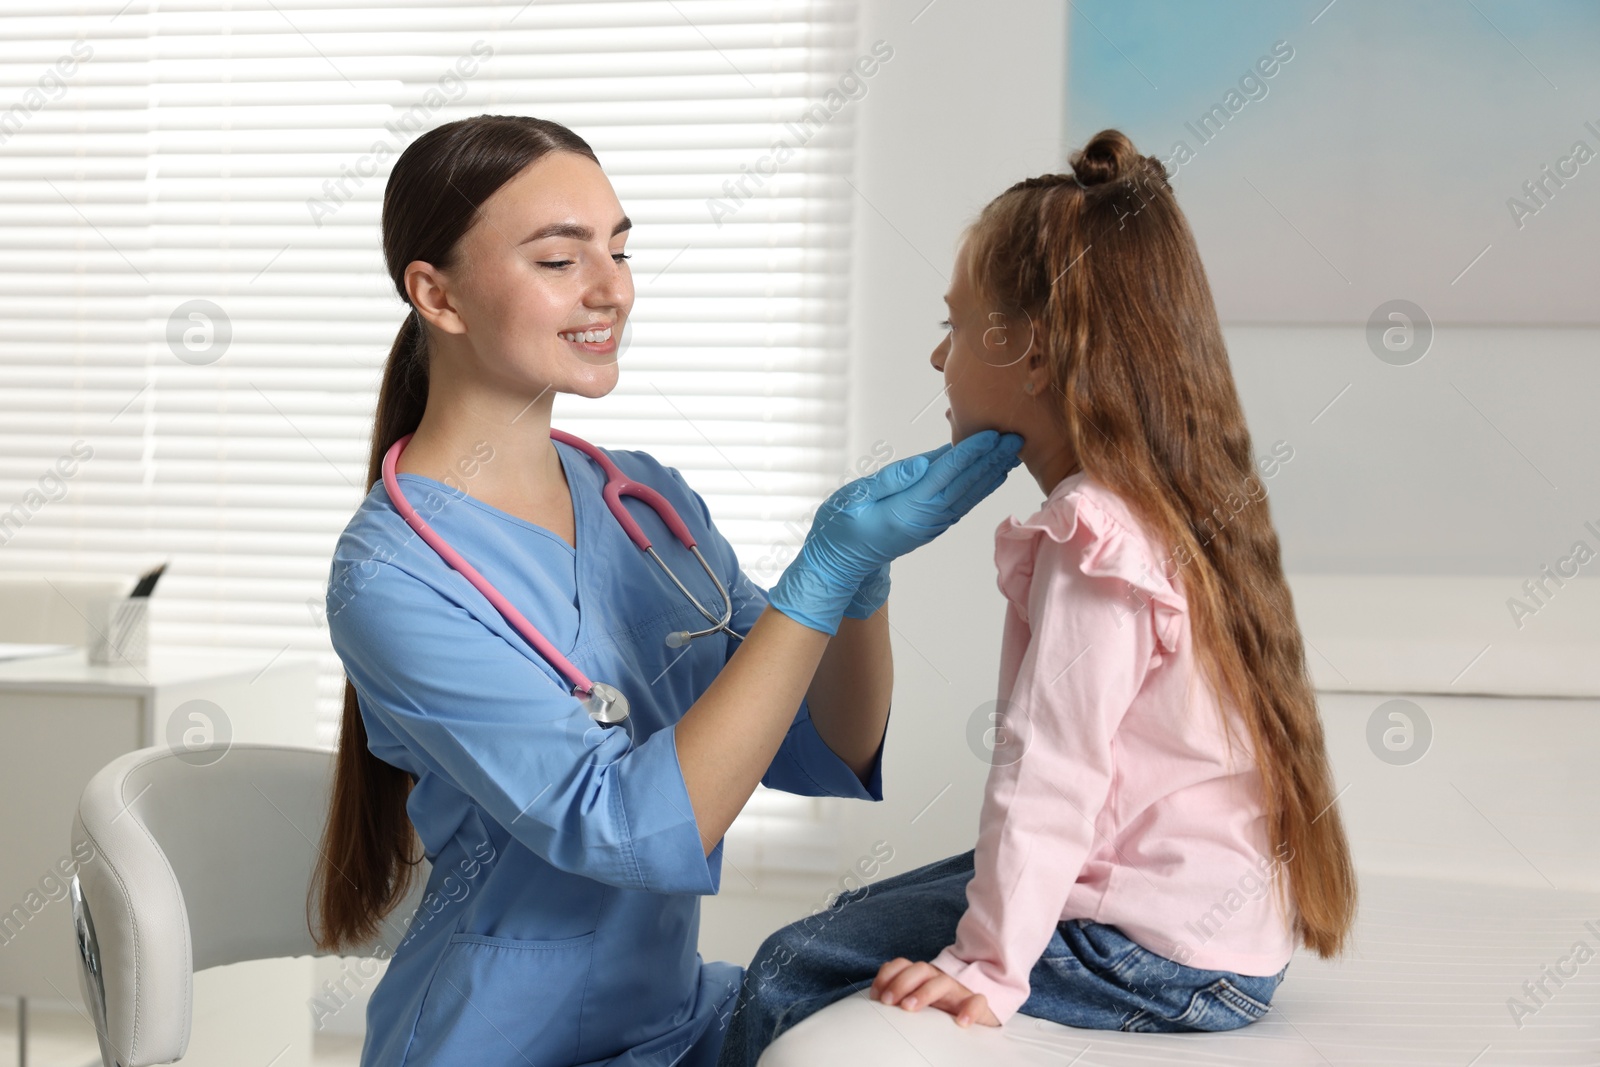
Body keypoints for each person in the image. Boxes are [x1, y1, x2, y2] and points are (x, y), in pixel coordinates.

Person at [310, 114, 1024, 1067]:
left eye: (619, 248)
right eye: (561, 260)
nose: (615, 289)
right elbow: (624, 830)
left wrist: (858, 582)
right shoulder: (393, 575)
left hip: (672, 1023)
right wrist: (819, 573)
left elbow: (824, 738)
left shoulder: (645, 503)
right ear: (437, 295)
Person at [713, 129, 1360, 1064]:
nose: (940, 359)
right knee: (856, 916)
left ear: (1037, 351)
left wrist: (986, 965)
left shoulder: (1091, 534)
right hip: (1218, 951)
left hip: (1140, 956)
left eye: (956, 325)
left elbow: (1050, 770)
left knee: (790, 961)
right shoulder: (1165, 508)